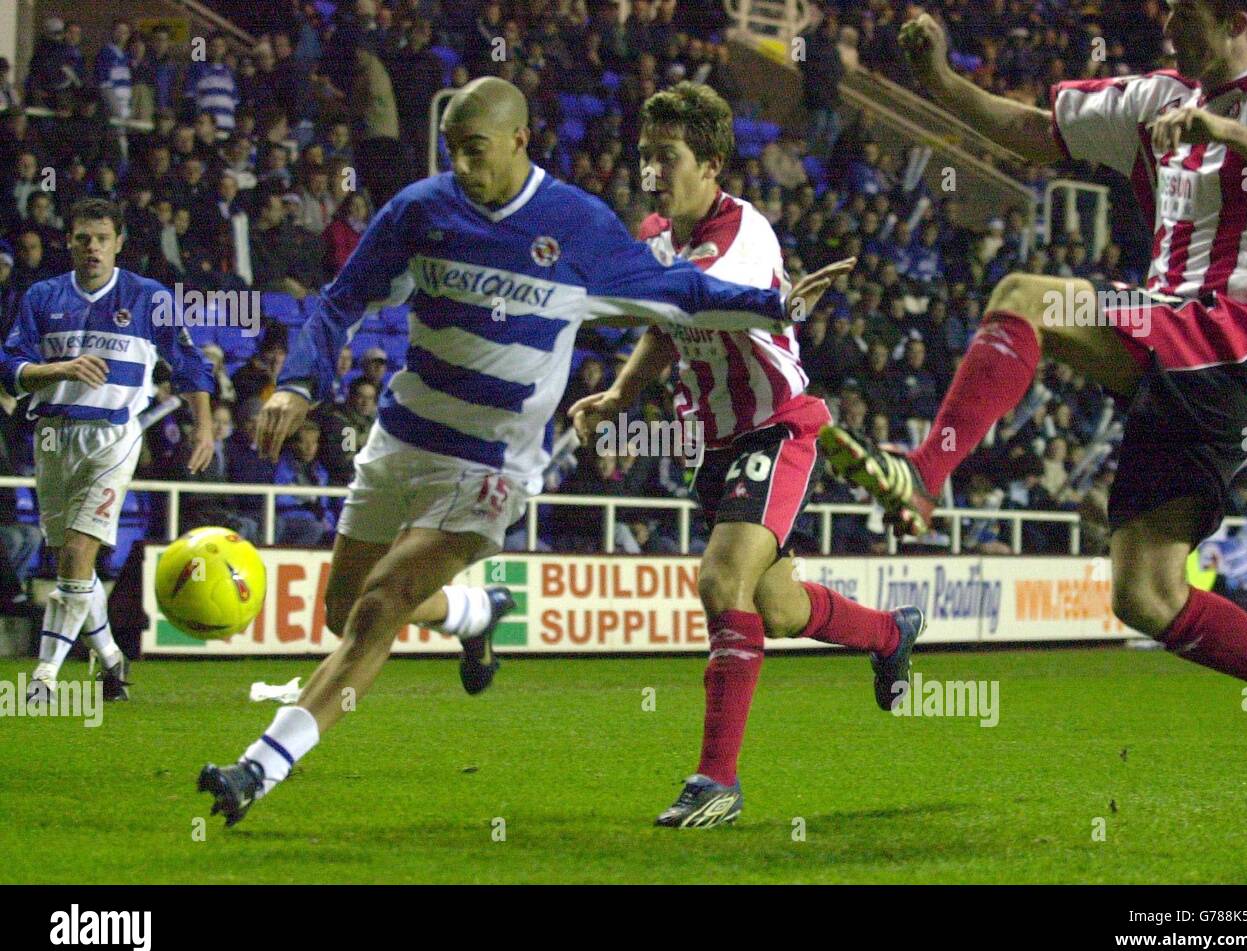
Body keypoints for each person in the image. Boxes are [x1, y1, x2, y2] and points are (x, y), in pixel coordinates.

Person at [196, 75, 851, 827]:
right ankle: (476, 615)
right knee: (342, 607)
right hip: (402, 438)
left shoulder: (578, 227)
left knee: (380, 605)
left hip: (491, 468)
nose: (462, 167)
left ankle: (257, 769)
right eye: (451, 152)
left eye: (475, 151)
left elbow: (677, 296)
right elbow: (341, 298)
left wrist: (777, 303)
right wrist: (298, 384)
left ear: (518, 141)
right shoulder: (420, 210)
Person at [822, 4, 1247, 720]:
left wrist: (1225, 129)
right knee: (1145, 597)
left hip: (1229, 341)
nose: (1168, 21)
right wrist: (942, 81)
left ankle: (924, 474)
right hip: (1167, 335)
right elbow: (1036, 134)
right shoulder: (1155, 98)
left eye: (1185, 9)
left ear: (1235, 18)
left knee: (1027, 296)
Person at [567, 82, 920, 828]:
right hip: (715, 446)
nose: (652, 173)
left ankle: (716, 782)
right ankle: (891, 634)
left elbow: (686, 298)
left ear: (713, 165)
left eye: (666, 158)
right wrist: (621, 398)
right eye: (644, 158)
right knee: (781, 610)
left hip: (777, 428)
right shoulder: (663, 237)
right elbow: (665, 327)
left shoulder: (743, 235)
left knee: (721, 582)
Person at [0, 197, 215, 703]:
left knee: (77, 552)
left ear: (119, 243)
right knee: (73, 565)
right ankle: (112, 662)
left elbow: (189, 363)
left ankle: (44, 678)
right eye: (82, 238)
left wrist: (204, 426)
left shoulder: (147, 297)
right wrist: (61, 369)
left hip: (114, 437)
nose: (91, 247)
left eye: (101, 238)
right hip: (53, 438)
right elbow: (10, 365)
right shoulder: (41, 297)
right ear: (70, 243)